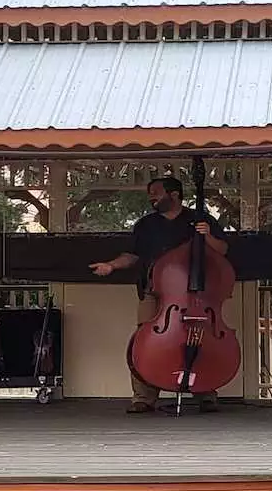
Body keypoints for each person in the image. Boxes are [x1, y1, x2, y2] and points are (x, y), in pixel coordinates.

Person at [89, 177, 229, 414]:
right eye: (149, 193)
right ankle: (144, 397)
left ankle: (205, 391)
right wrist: (112, 265)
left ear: (174, 194)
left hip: (197, 296)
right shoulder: (146, 225)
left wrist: (207, 237)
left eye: (156, 192)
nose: (151, 197)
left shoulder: (200, 219)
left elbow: (222, 251)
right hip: (154, 293)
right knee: (144, 342)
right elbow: (133, 255)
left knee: (201, 340)